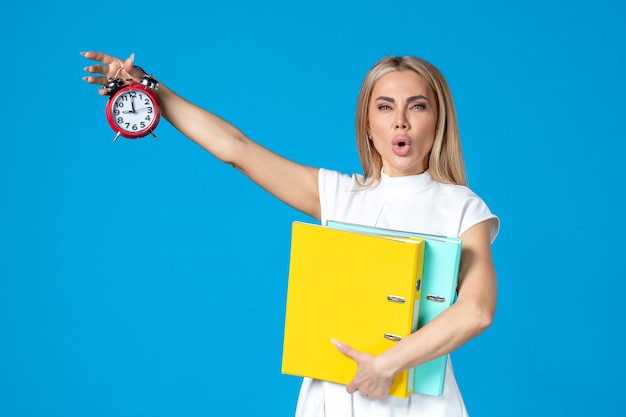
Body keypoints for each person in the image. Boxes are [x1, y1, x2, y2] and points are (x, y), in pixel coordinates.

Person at [81, 51, 499, 417]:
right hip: (336, 398)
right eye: (385, 107)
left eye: (418, 106)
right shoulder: (338, 194)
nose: (401, 122)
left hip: (421, 405)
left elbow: (477, 311)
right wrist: (150, 87)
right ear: (368, 123)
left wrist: (385, 365)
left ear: (437, 120)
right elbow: (236, 148)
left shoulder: (463, 208)